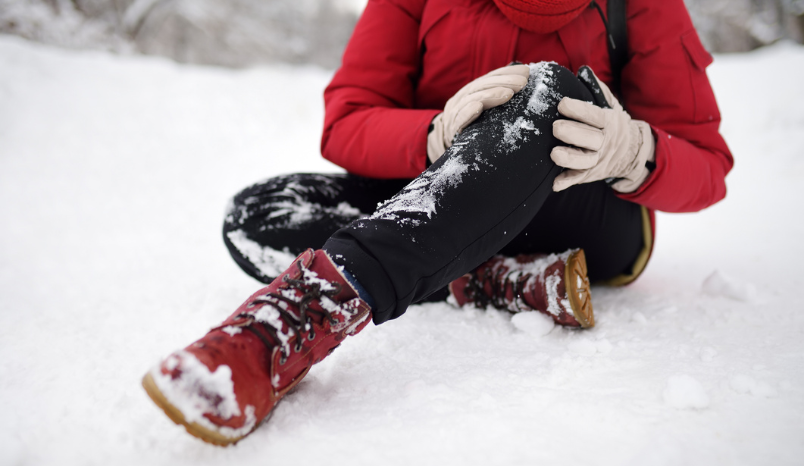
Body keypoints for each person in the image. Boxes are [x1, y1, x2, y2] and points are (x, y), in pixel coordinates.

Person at [142, 0, 732, 446]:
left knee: (545, 91)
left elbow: (708, 164)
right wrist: (436, 135)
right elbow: (347, 119)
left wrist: (637, 151)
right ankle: (484, 277)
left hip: (585, 214)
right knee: (258, 215)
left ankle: (297, 319)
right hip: (440, 193)